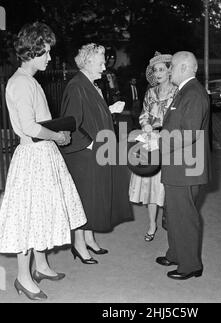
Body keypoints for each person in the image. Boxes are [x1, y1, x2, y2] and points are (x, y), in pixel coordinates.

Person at [0, 22, 87, 301]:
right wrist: (59, 136)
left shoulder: (30, 81)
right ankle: (22, 278)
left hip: (42, 155)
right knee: (29, 217)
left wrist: (54, 135)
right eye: (46, 52)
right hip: (33, 156)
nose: (50, 58)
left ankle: (40, 265)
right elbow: (29, 127)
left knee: (42, 212)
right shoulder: (21, 83)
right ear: (32, 51)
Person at [60, 43, 133, 264]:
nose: (104, 66)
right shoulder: (76, 86)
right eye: (101, 61)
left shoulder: (90, 84)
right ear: (89, 60)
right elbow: (71, 122)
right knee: (84, 199)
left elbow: (91, 114)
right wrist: (89, 144)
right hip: (84, 154)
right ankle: (79, 245)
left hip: (96, 151)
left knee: (92, 199)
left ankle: (89, 238)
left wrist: (109, 110)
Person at [156, 51, 211, 280]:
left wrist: (157, 142)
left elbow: (189, 135)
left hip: (186, 167)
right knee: (175, 213)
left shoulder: (193, 93)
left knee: (184, 216)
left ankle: (190, 265)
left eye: (173, 66)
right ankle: (176, 254)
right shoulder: (185, 91)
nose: (169, 70)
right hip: (179, 165)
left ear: (186, 67)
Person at [129, 52, 177, 242]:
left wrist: (161, 127)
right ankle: (151, 223)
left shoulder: (177, 92)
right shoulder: (150, 92)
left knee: (168, 186)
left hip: (170, 142)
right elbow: (144, 113)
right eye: (155, 70)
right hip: (150, 141)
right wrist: (146, 124)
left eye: (161, 69)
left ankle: (171, 222)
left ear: (169, 71)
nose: (157, 73)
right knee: (151, 186)